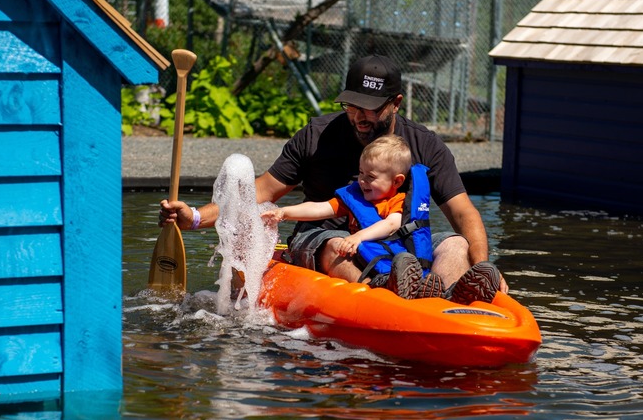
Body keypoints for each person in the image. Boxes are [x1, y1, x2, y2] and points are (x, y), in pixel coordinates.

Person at [159, 54, 505, 304]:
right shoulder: (317, 135)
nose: (359, 116)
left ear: (396, 103)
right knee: (336, 243)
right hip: (323, 240)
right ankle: (386, 299)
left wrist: (484, 264)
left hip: (398, 247)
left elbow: (464, 214)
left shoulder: (425, 145)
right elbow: (263, 191)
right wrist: (195, 216)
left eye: (370, 107)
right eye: (352, 105)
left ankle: (449, 298)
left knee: (456, 244)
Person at [260, 135, 443, 299]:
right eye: (361, 173)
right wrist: (284, 213)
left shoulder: (398, 201)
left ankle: (424, 288)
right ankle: (386, 285)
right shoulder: (355, 197)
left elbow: (392, 224)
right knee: (340, 247)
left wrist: (358, 236)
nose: (362, 181)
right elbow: (320, 208)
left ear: (397, 181)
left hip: (393, 260)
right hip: (367, 261)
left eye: (371, 176)